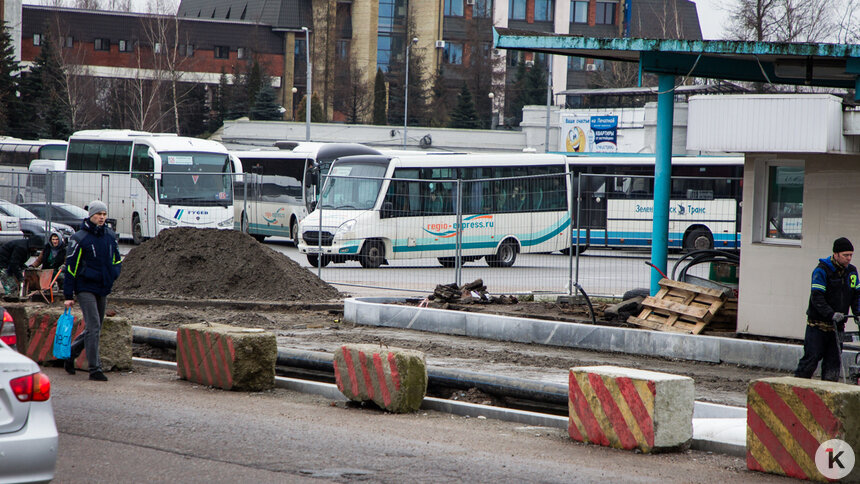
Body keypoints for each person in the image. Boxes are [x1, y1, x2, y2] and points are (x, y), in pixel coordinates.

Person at [63, 200, 122, 382]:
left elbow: (117, 260)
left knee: (95, 327)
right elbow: (71, 267)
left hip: (102, 287)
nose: (102, 217)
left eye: (104, 214)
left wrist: (113, 274)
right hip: (85, 287)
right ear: (91, 216)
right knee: (94, 325)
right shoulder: (80, 238)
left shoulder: (110, 236)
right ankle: (95, 369)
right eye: (98, 214)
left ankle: (70, 353)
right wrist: (68, 295)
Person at [794, 237, 860, 382]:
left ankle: (829, 393)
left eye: (851, 255)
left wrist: (858, 313)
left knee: (833, 363)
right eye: (845, 255)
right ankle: (797, 388)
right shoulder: (822, 271)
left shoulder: (852, 272)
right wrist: (830, 314)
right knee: (811, 359)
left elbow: (856, 295)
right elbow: (817, 297)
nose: (849, 258)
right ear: (835, 254)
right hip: (817, 326)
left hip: (837, 327)